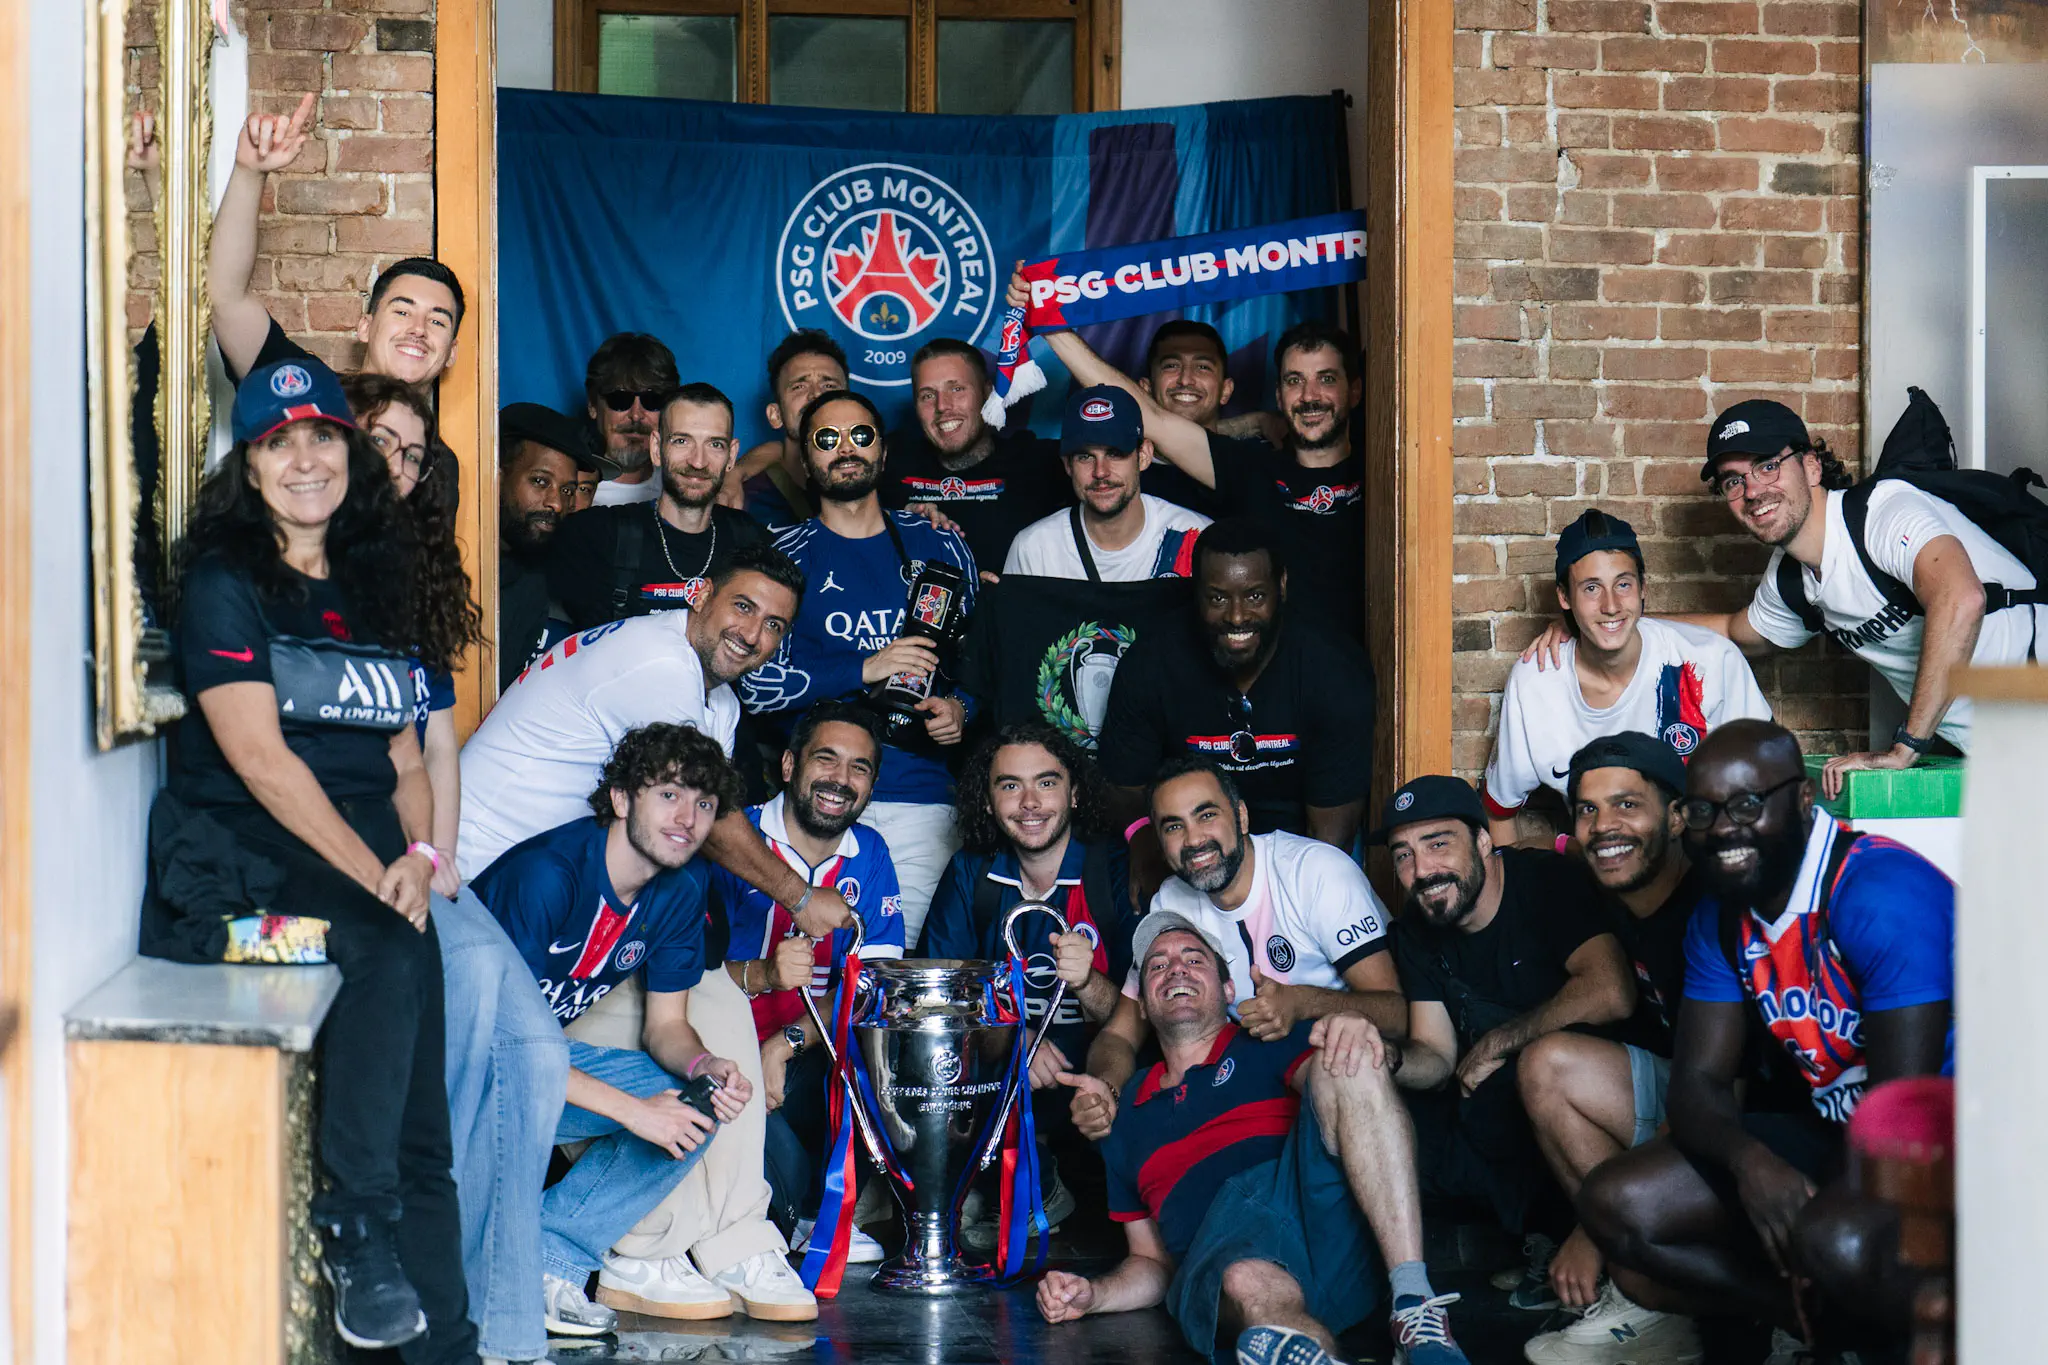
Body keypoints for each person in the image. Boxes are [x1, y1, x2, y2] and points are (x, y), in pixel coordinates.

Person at [138, 358, 473, 1358]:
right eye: (279, 442)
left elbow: (405, 753)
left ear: (348, 452)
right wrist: (380, 880)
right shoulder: (224, 586)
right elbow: (262, 762)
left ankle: (445, 1341)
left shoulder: (373, 585)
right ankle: (354, 1231)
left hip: (367, 864)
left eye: (321, 436)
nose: (305, 459)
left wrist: (417, 852)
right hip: (239, 882)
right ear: (248, 466)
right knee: (379, 945)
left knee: (424, 1122)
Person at [454, 544, 842, 1326]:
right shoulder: (655, 663)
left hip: (607, 904)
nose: (754, 634)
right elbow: (716, 817)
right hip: (477, 905)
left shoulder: (715, 708)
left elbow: (698, 802)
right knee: (609, 1085)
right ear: (699, 595)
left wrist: (700, 1069)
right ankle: (645, 1245)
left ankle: (720, 1235)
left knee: (707, 1068)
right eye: (742, 607)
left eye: (775, 626)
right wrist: (798, 894)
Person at [1575, 721, 1953, 1361]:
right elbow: (1697, 1088)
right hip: (1845, 1138)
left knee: (1836, 1239)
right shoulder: (1723, 917)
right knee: (1616, 1207)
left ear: (1803, 799)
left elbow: (1902, 1120)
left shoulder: (1877, 893)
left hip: (1960, 1148)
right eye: (1703, 810)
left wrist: (1812, 1214)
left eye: (1749, 804)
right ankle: (1821, 1329)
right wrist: (1753, 1165)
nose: (1724, 828)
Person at [1548, 398, 2046, 797]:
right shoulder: (1793, 580)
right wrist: (1607, 619)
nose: (1753, 490)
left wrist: (1905, 748)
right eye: (1734, 481)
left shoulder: (1883, 511)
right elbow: (1732, 631)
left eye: (1768, 466)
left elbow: (1961, 599)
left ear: (1810, 466)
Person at [1039, 914, 1469, 1365]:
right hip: (1230, 1269)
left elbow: (1352, 1092)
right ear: (1142, 1005)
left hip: (1325, 1233)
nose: (1177, 969)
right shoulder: (1124, 1111)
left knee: (1345, 1056)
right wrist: (1094, 1294)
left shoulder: (1271, 1041)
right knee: (1248, 1279)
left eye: (1194, 958)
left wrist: (1353, 1029)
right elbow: (1152, 1263)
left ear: (1228, 990)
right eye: (1158, 966)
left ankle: (1413, 1299)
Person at [465, 725, 754, 1341]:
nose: (688, 819)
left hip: (534, 1066)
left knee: (690, 1109)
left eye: (703, 804)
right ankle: (495, 1268)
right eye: (670, 795)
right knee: (654, 1113)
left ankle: (546, 1263)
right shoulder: (548, 875)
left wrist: (704, 1067)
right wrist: (633, 1112)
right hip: (450, 1073)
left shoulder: (680, 886)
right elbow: (499, 1047)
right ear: (622, 799)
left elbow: (667, 1027)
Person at [741, 389, 979, 946]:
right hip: (814, 804)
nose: (845, 449)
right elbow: (755, 688)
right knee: (803, 977)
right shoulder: (782, 556)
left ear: (884, 452)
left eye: (860, 436)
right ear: (805, 460)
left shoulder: (939, 542)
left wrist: (962, 709)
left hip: (923, 798)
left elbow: (982, 666)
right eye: (826, 440)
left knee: (901, 979)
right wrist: (867, 666)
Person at [1015, 268, 1367, 638]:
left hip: (1366, 675)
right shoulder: (1250, 467)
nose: (1309, 396)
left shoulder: (1386, 473)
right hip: (1277, 679)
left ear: (1354, 391)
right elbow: (1152, 419)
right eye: (1294, 381)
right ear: (1279, 396)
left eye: (1326, 379)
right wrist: (1048, 319)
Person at [1077, 757, 1405, 1140]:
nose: (1194, 839)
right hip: (1253, 1084)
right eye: (1173, 826)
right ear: (1160, 844)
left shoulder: (1314, 871)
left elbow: (1397, 1014)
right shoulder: (1171, 902)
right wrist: (1105, 1090)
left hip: (1350, 1076)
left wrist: (1302, 1002)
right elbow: (1120, 1033)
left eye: (1206, 815)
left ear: (1242, 817)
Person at [1378, 776, 1639, 1257]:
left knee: (1533, 1070)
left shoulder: (1544, 881)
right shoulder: (1417, 929)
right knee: (1417, 1124)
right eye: (1403, 855)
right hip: (1510, 1110)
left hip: (1602, 1089)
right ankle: (1553, 1240)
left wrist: (1499, 1043)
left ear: (1482, 841)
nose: (1423, 869)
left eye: (1438, 844)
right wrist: (1386, 1059)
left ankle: (1619, 1253)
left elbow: (1612, 991)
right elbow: (1435, 1054)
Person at [1513, 733, 1712, 1361]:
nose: (1605, 827)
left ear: (1676, 816)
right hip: (1685, 1089)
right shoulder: (1618, 890)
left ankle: (1646, 1285)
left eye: (1627, 805)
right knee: (1546, 1066)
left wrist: (1592, 1226)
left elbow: (1718, 1094)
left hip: (1751, 1121)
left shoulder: (1708, 906)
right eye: (1589, 810)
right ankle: (1645, 1301)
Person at [922, 721, 1142, 1251]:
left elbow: (1146, 1011)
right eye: (1009, 785)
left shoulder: (1114, 869)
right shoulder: (972, 871)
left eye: (1046, 782)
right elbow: (937, 989)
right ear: (988, 797)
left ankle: (1038, 1186)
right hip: (1001, 1090)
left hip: (1101, 1086)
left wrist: (1088, 981)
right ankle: (1006, 1181)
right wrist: (1013, 1038)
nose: (1029, 803)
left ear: (1075, 790)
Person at [709, 702, 904, 1264]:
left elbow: (872, 984)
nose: (841, 780)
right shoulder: (733, 838)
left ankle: (817, 1213)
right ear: (790, 764)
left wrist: (784, 1043)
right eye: (827, 759)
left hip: (803, 1054)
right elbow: (673, 977)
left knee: (881, 1053)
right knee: (731, 1097)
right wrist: (766, 976)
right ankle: (785, 1220)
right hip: (716, 1047)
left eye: (859, 768)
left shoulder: (870, 854)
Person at [1485, 509, 1771, 848]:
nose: (1611, 605)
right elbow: (1500, 811)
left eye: (1623, 584)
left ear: (1643, 587)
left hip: (1701, 871)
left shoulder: (1709, 660)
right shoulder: (1536, 681)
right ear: (1564, 597)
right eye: (1591, 588)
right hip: (1599, 873)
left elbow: (1770, 777)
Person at [1097, 518, 1375, 847]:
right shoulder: (1151, 662)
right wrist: (1147, 850)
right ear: (1195, 593)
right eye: (1217, 599)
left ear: (1282, 586)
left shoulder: (1333, 669)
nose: (1237, 616)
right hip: (1188, 841)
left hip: (1299, 841)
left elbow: (1331, 839)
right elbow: (1127, 789)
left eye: (1255, 596)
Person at [340, 374, 481, 898]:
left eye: (413, 456)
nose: (395, 467)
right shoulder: (305, 572)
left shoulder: (413, 580)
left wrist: (437, 856)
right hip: (354, 847)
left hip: (413, 848)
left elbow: (435, 744)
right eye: (380, 442)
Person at [211, 96, 463, 389]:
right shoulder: (311, 395)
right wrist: (249, 173)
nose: (418, 330)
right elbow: (224, 298)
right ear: (365, 328)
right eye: (402, 312)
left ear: (451, 353)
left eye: (437, 322)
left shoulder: (433, 439)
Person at [545, 383, 771, 630]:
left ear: (731, 455)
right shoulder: (597, 534)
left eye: (714, 444)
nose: (698, 461)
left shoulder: (752, 541)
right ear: (656, 448)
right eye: (682, 441)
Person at [878, 336, 1067, 575]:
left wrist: (1058, 332)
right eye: (927, 395)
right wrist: (894, 521)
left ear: (988, 392)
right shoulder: (891, 461)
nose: (942, 406)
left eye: (956, 389)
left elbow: (1122, 428)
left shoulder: (1035, 462)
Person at [1002, 385, 1210, 582]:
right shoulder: (1034, 548)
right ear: (1067, 464)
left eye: (1115, 453)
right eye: (1085, 457)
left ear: (1144, 455)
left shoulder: (1195, 537)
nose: (1100, 472)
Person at [497, 401, 596, 690]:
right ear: (497, 476)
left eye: (567, 490)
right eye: (540, 481)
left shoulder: (531, 582)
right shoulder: (447, 554)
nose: (556, 503)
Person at [731, 330, 848, 527]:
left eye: (829, 386)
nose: (816, 395)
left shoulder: (879, 483)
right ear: (775, 415)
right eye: (799, 387)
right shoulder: (744, 501)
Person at [584, 332, 681, 506]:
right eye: (620, 399)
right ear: (593, 404)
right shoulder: (569, 495)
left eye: (652, 400)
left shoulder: (683, 489)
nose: (636, 415)